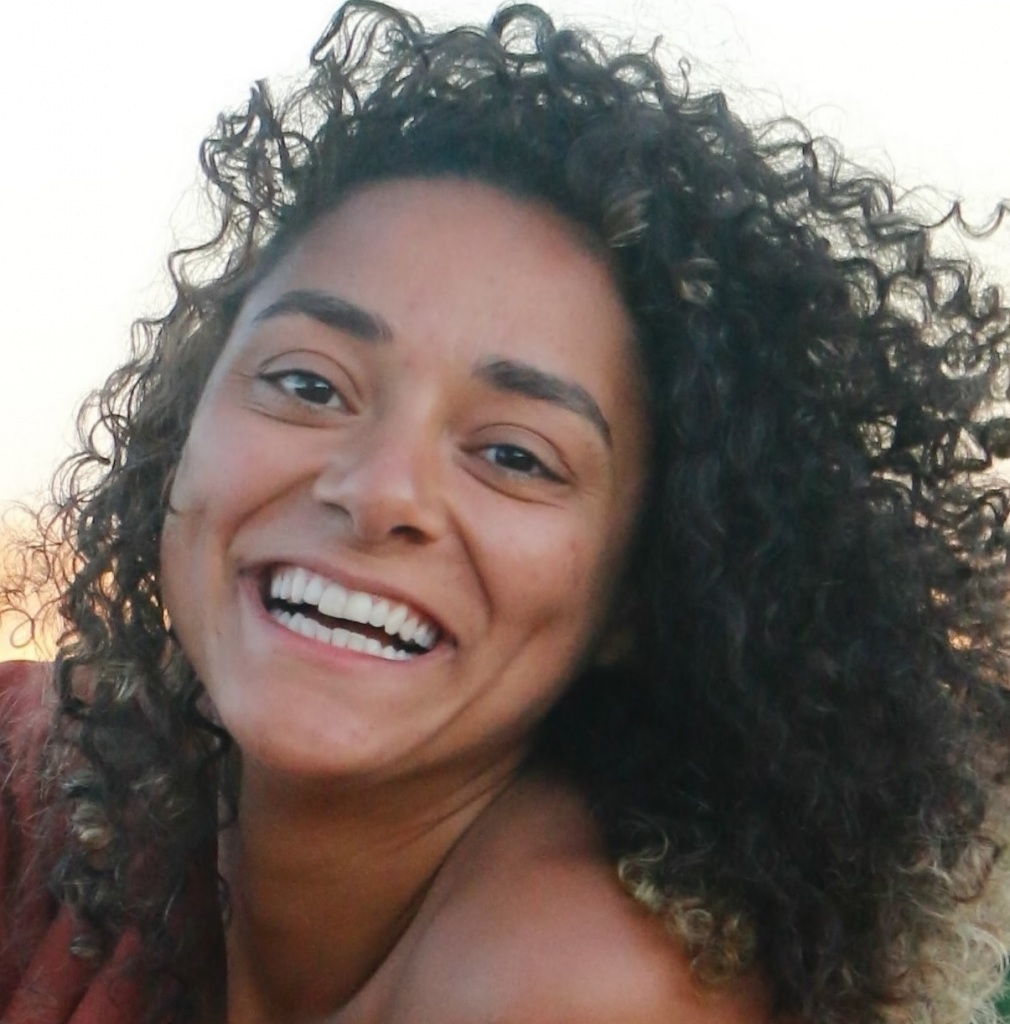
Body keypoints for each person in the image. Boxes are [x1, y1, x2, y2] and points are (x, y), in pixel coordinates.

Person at [2, 2, 1010, 1021]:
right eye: (308, 384)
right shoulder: (69, 792)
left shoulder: (577, 982)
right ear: (186, 417)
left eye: (515, 455)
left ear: (640, 590)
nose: (379, 491)